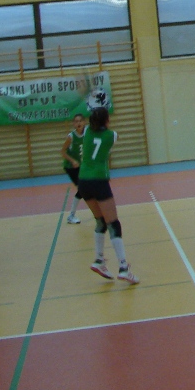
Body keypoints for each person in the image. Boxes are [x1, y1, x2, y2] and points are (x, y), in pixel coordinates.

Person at [79, 107, 139, 284]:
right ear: (107, 120)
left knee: (100, 221)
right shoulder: (111, 136)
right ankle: (123, 268)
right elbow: (114, 136)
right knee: (113, 223)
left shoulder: (86, 131)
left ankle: (99, 260)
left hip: (83, 182)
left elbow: (91, 126)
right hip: (99, 180)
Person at [60, 113, 86, 224]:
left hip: (82, 166)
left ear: (84, 122)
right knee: (82, 189)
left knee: (88, 188)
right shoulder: (71, 137)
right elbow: (62, 152)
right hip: (71, 167)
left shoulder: (88, 133)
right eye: (76, 121)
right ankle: (71, 216)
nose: (78, 123)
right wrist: (72, 161)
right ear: (73, 124)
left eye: (80, 121)